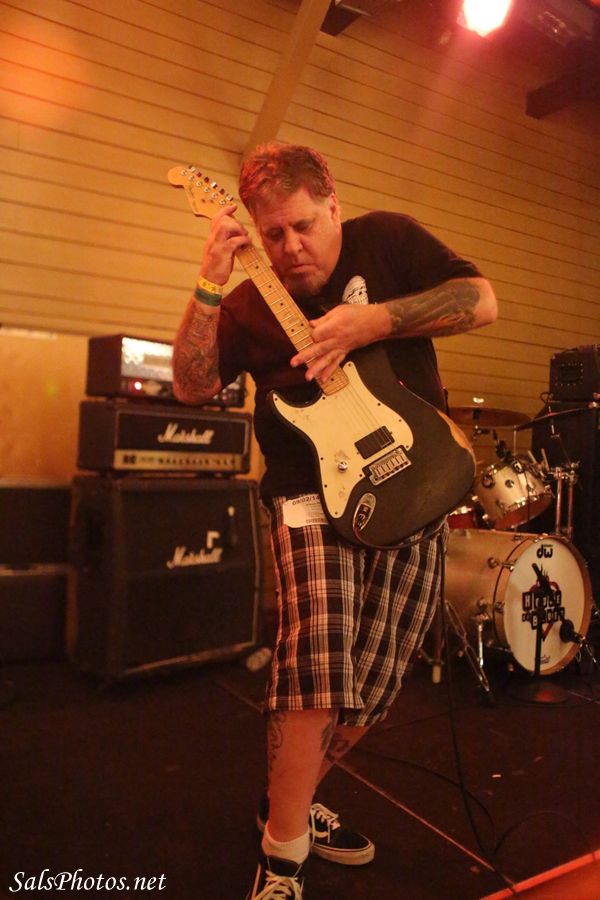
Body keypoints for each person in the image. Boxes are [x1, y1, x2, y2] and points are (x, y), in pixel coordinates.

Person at [172, 142, 497, 899]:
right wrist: (210, 282)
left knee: (374, 687)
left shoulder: (389, 241)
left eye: (304, 226)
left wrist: (371, 323)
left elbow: (482, 301)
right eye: (273, 233)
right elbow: (191, 385)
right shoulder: (250, 302)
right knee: (316, 664)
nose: (290, 247)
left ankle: (286, 804)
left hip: (414, 484)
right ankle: (282, 861)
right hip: (308, 492)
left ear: (334, 206)